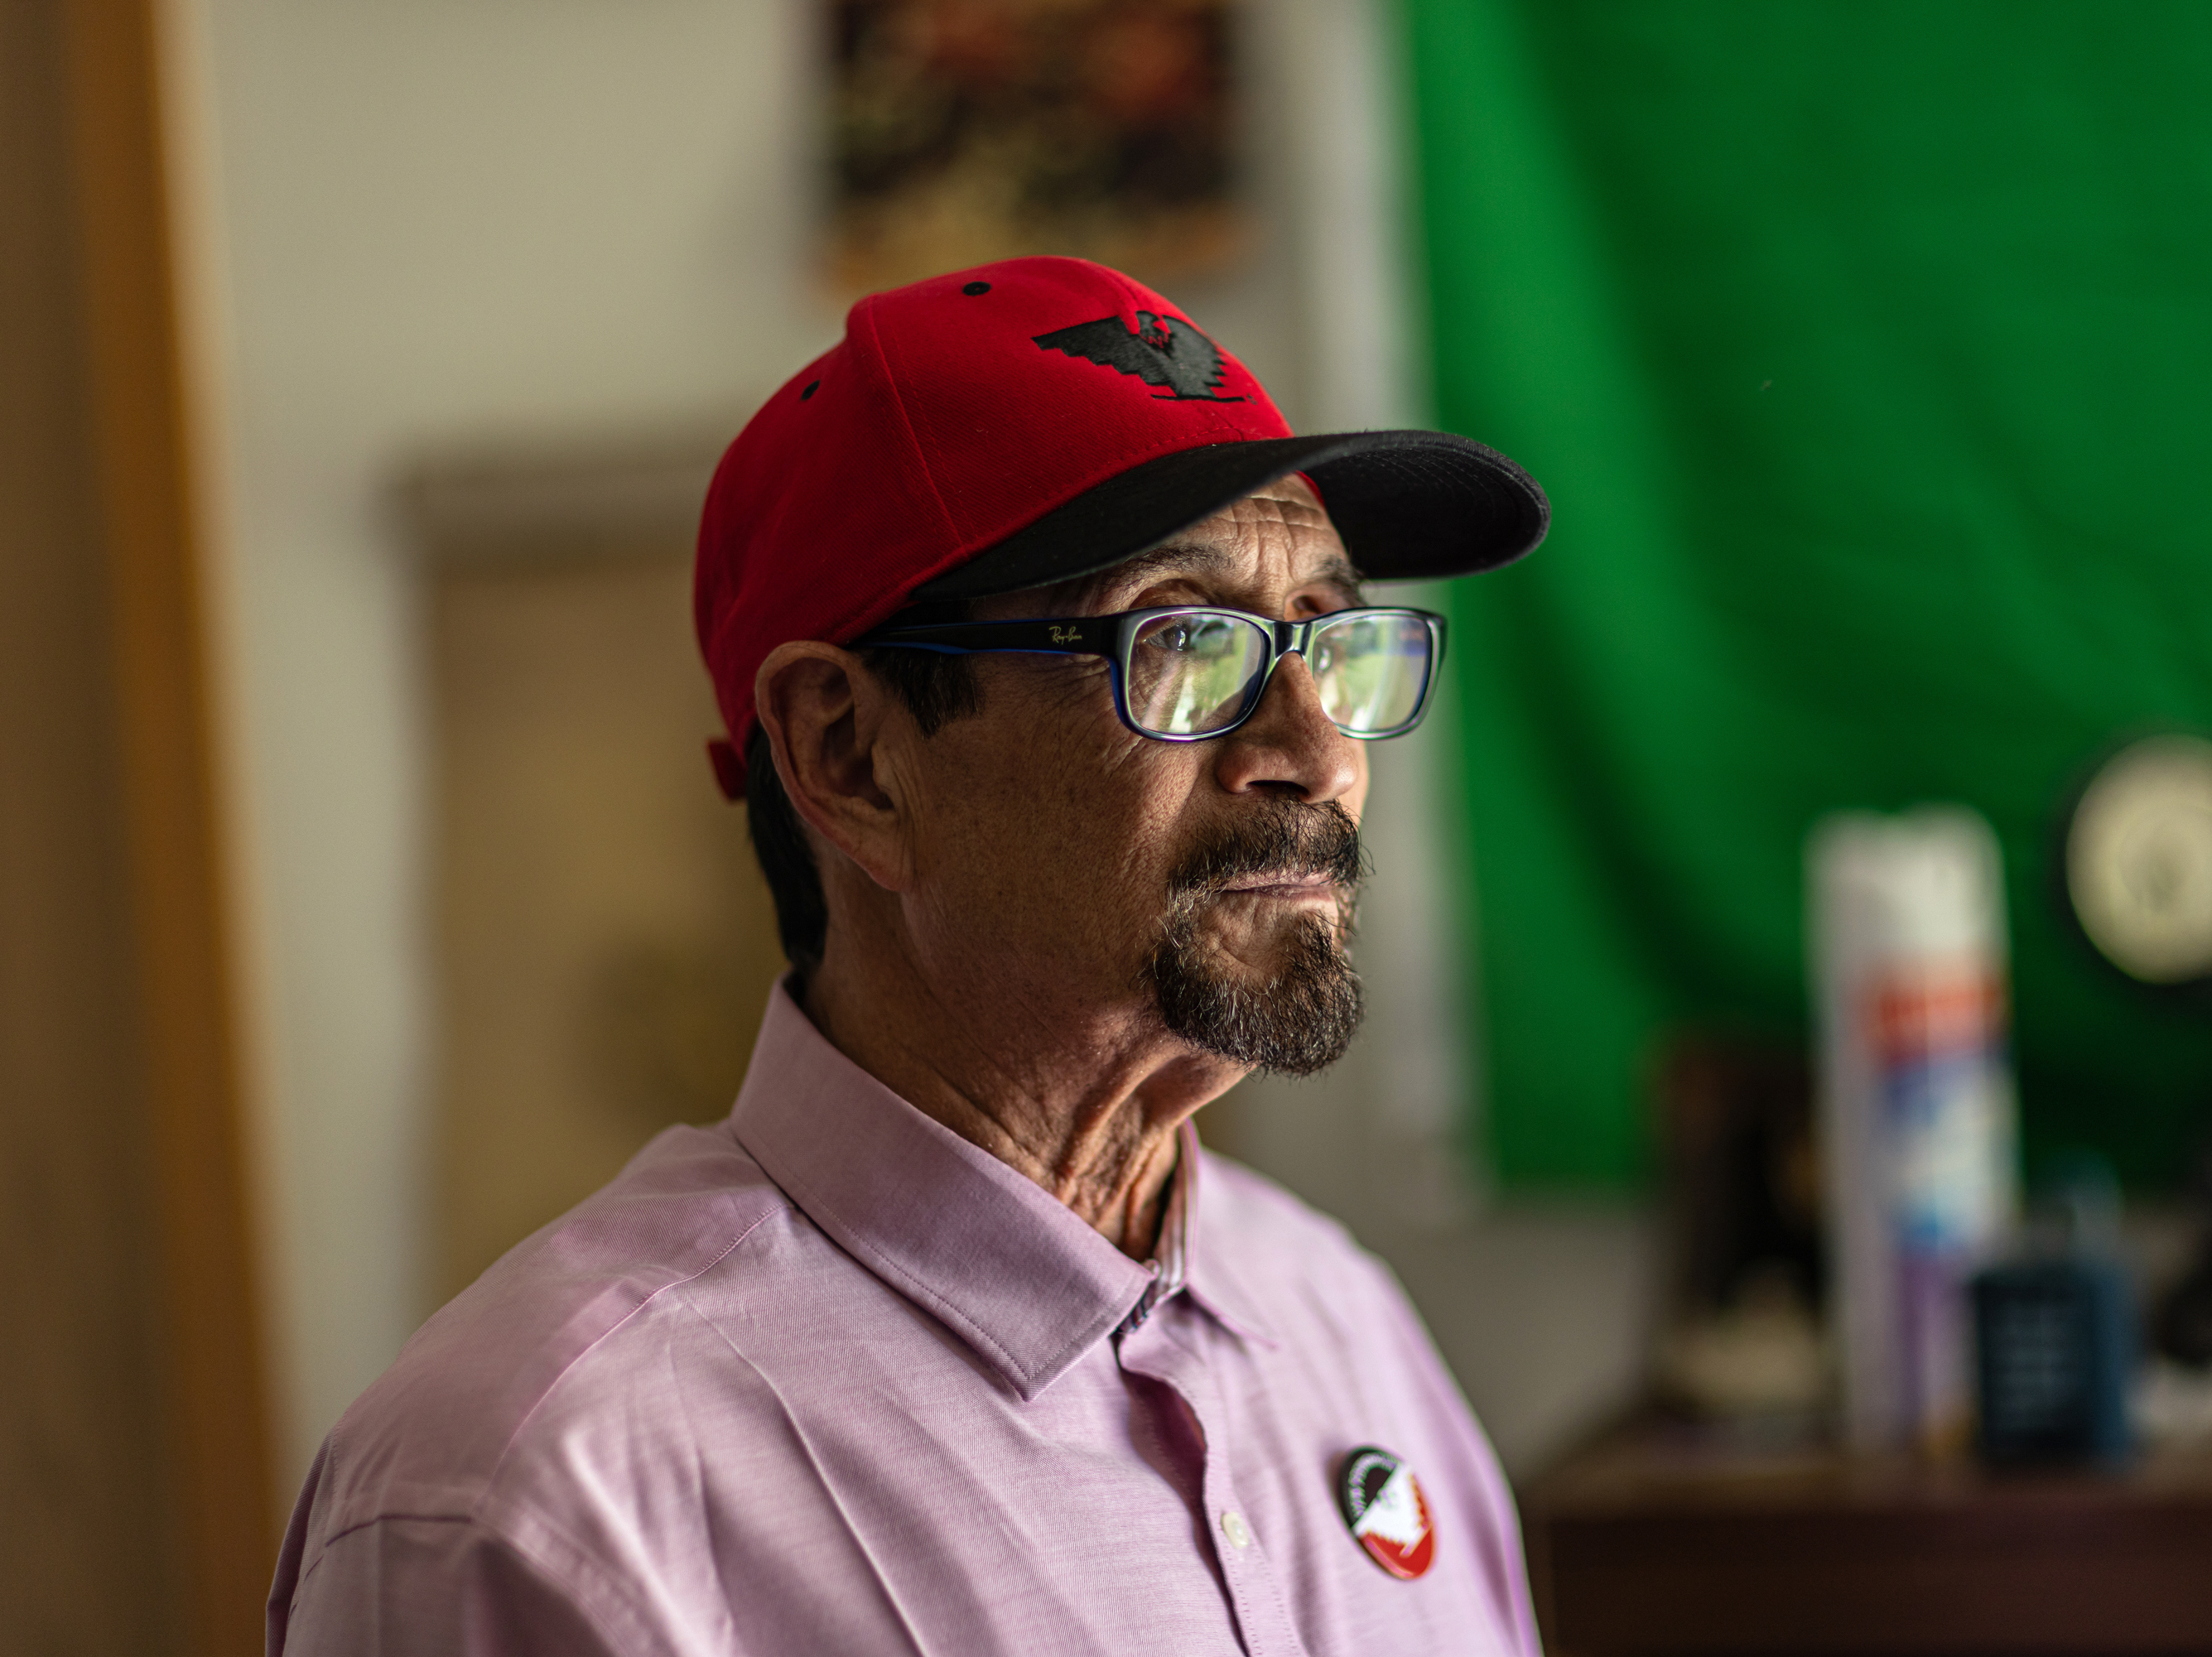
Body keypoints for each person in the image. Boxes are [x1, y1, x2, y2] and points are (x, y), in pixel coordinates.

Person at [269, 255, 1549, 1655]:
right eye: (1182, 640)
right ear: (851, 755)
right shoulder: (537, 1483)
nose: (1317, 754)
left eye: (1329, 638)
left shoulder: (1337, 1318)